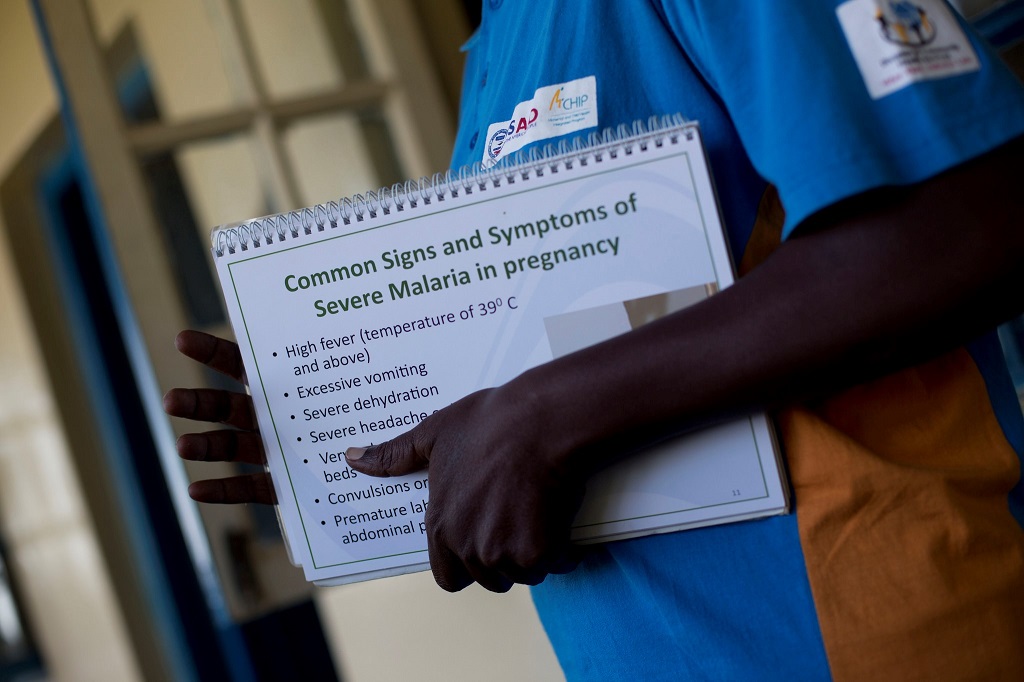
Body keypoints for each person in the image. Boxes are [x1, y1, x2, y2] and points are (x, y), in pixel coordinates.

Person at [163, 1, 1024, 678]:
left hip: (875, 634)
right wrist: (350, 433)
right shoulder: (500, 39)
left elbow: (969, 224)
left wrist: (542, 417)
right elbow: (592, 340)